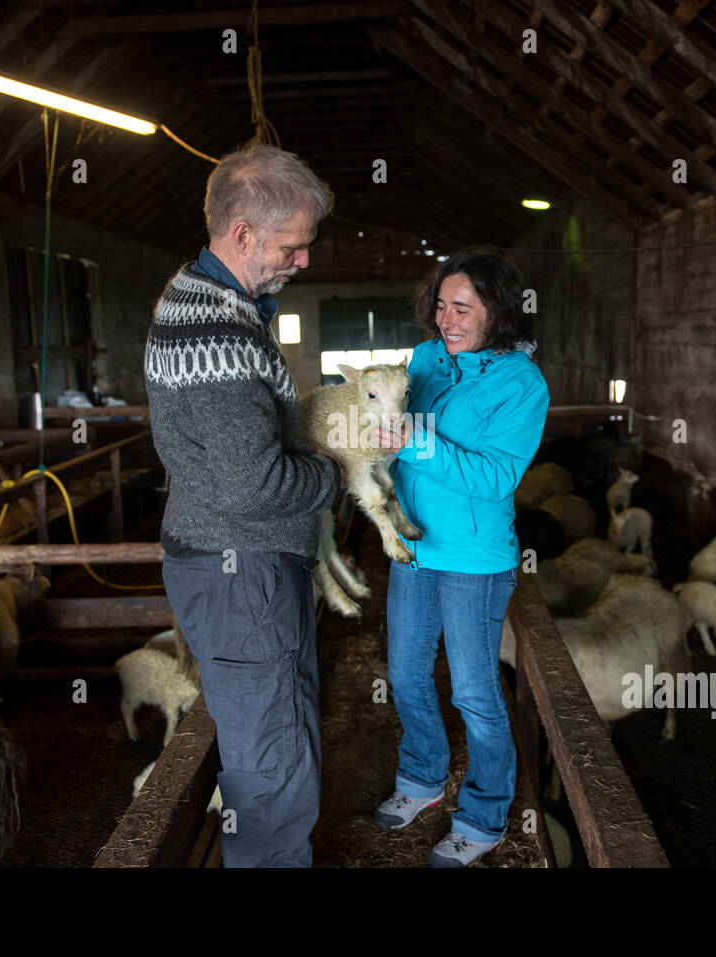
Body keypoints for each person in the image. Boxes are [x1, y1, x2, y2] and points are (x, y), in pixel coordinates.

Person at [144, 145, 341, 867]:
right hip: (243, 574)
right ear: (243, 236)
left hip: (231, 568)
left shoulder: (204, 295)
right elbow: (254, 486)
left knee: (275, 734)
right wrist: (331, 476)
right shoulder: (220, 334)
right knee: (272, 772)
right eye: (293, 247)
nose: (303, 261)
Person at [371, 248, 550, 867]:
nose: (447, 319)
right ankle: (422, 780)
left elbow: (497, 477)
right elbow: (380, 411)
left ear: (497, 311)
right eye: (442, 305)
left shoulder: (521, 384)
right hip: (411, 544)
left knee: (475, 692)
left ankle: (484, 815)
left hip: (473, 560)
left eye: (463, 308)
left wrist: (415, 443)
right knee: (406, 674)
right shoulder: (424, 361)